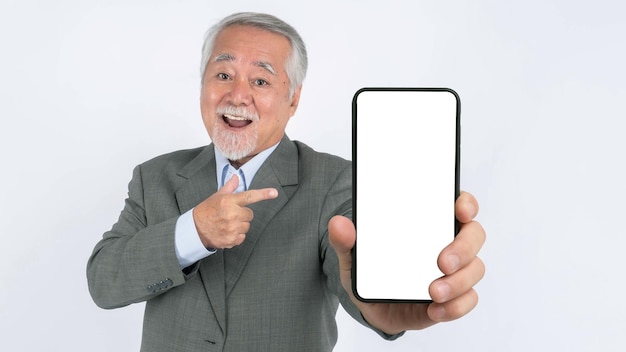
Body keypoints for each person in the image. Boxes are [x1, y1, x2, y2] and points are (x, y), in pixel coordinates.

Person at [87, 12, 486, 352]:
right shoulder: (154, 176)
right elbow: (104, 282)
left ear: (293, 99)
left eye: (260, 81)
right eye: (223, 74)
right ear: (202, 86)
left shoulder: (336, 182)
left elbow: (352, 265)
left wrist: (381, 305)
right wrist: (194, 232)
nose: (238, 95)